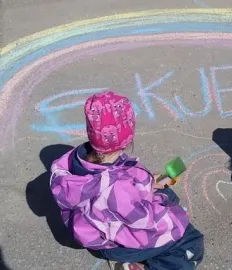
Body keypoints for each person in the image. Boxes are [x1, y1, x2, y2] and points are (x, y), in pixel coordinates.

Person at [50, 91, 204, 270]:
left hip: (93, 227)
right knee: (191, 243)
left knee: (164, 191)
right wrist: (175, 216)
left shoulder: (74, 161)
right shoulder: (118, 187)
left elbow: (117, 190)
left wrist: (149, 183)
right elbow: (146, 222)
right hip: (114, 245)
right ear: (128, 135)